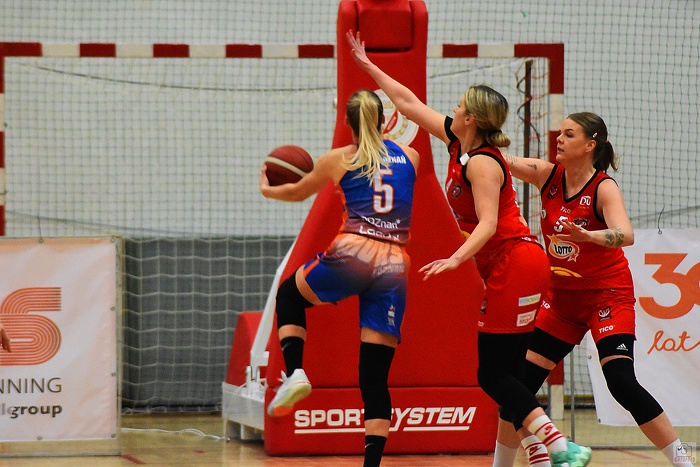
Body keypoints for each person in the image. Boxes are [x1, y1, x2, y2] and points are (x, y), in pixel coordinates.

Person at [347, 31, 591, 467]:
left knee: (491, 375)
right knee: (509, 374)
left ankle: (559, 445)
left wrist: (455, 259)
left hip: (515, 263)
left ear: (472, 119)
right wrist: (368, 66)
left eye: (460, 106)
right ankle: (540, 454)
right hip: (513, 264)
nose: (453, 109)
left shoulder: (481, 163)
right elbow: (407, 102)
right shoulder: (457, 143)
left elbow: (489, 223)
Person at [493, 112, 695, 467]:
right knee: (517, 386)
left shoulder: (603, 188)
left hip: (607, 296)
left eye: (569, 134)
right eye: (560, 132)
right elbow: (498, 159)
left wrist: (589, 236)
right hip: (562, 302)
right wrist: (467, 135)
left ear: (590, 145)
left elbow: (625, 234)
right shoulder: (546, 175)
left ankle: (683, 462)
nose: (559, 138)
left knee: (621, 381)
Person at [260, 89, 420, 467]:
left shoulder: (338, 159)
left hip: (354, 253)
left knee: (289, 296)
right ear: (383, 120)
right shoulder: (410, 156)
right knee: (374, 378)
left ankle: (295, 372)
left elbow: (297, 193)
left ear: (347, 121)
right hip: (394, 266)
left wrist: (267, 189)